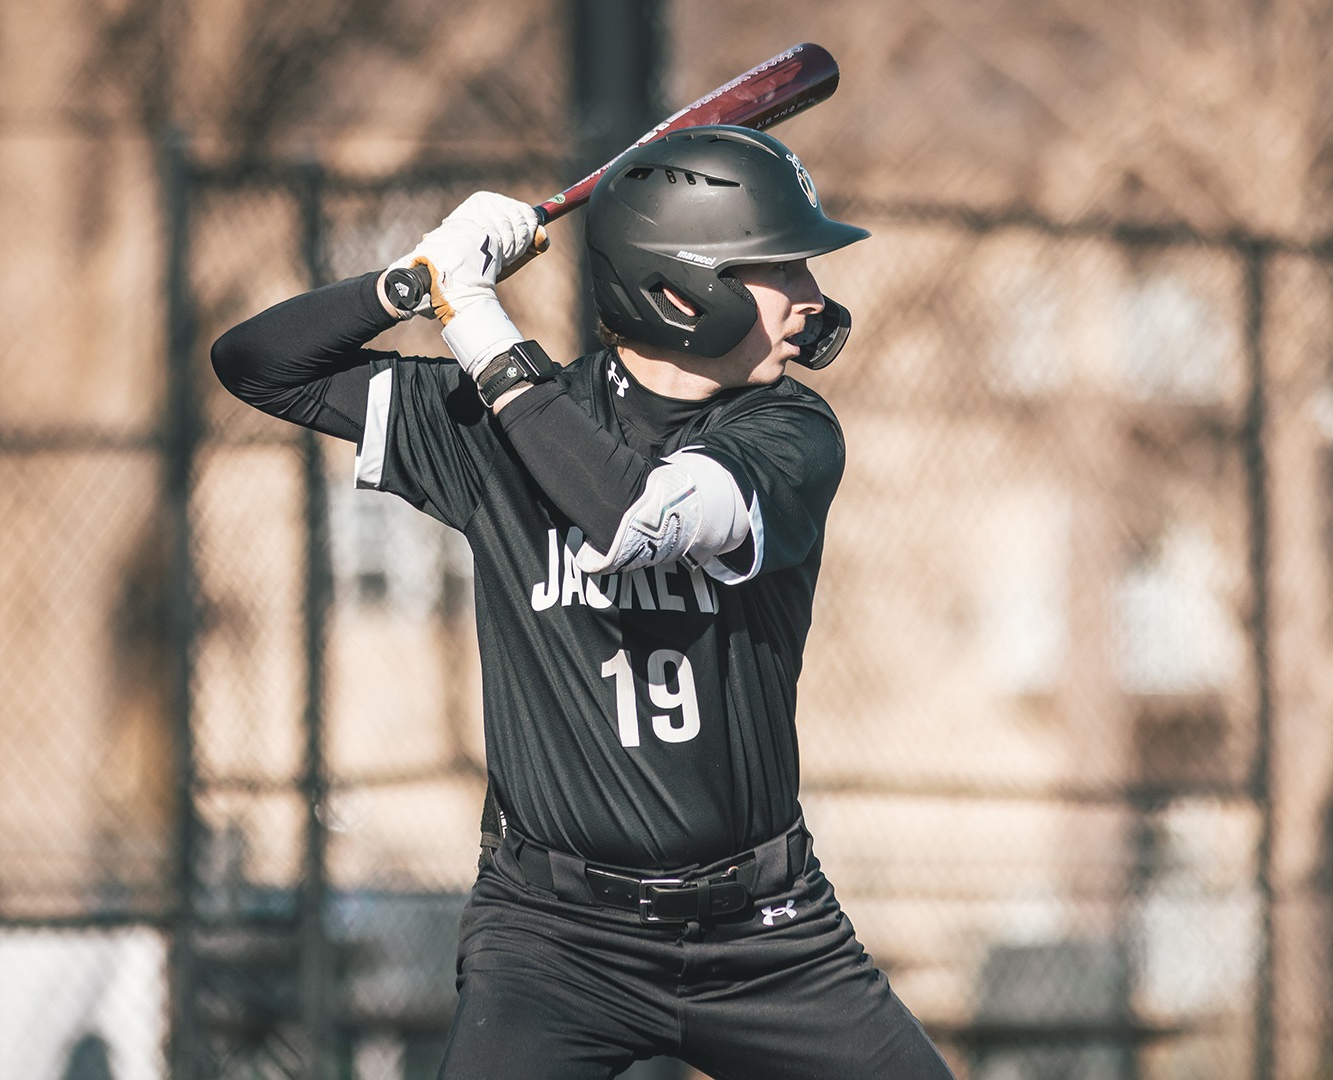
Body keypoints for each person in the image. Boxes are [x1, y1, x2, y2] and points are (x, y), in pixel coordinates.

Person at [212, 124, 952, 1078]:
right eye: (781, 271)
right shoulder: (488, 432)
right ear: (685, 292)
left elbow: (636, 514)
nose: (812, 301)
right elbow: (255, 364)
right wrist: (408, 285)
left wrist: (478, 320)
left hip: (764, 938)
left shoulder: (788, 428)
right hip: (554, 943)